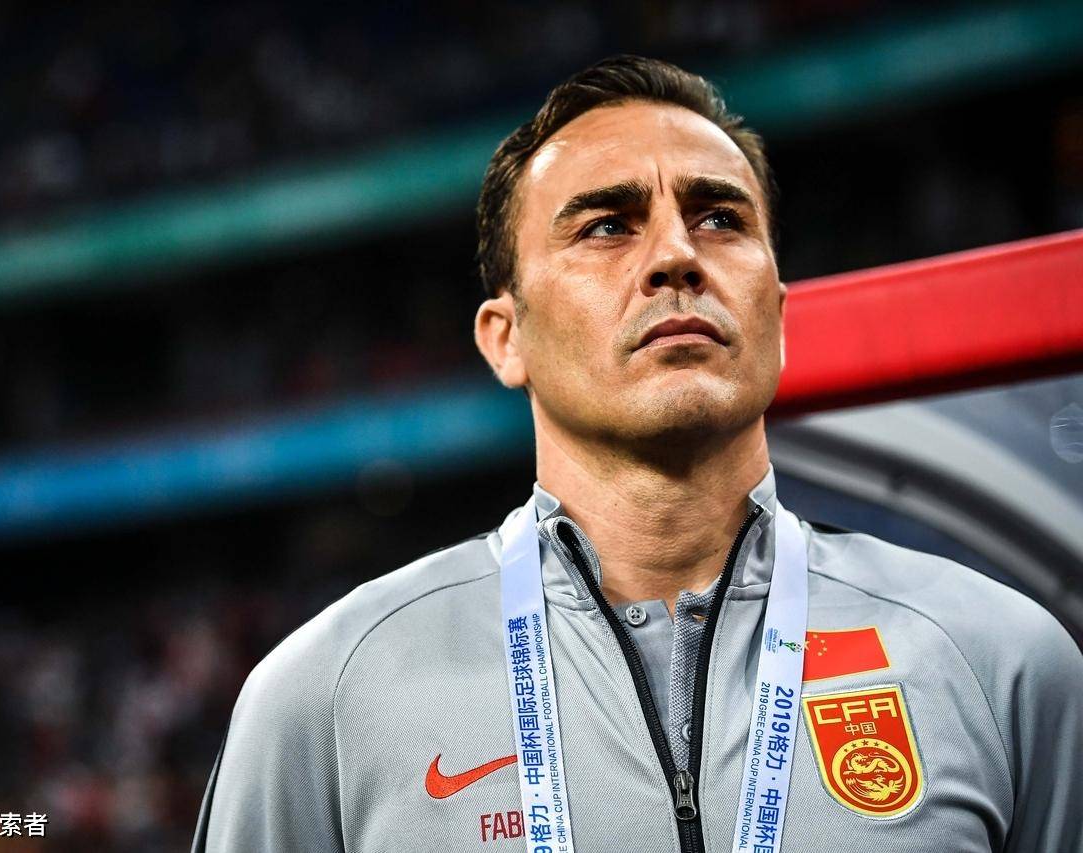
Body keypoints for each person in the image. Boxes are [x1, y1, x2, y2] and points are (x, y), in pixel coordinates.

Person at [191, 55, 1083, 852]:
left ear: (778, 314)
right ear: (506, 337)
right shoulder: (326, 698)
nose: (677, 256)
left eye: (720, 217)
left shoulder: (1001, 661)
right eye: (607, 226)